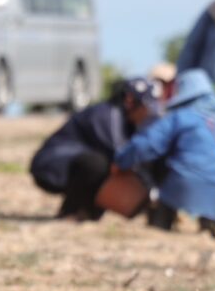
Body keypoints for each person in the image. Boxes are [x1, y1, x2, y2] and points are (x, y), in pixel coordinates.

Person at [112, 68, 215, 231]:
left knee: (165, 178)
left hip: (182, 189)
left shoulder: (182, 116)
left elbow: (146, 144)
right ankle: (206, 226)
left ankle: (161, 223)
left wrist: (120, 161)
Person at [29, 77, 160, 220]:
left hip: (75, 162)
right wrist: (151, 192)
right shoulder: (106, 116)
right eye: (146, 107)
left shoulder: (127, 121)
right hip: (52, 167)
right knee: (99, 164)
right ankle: (70, 212)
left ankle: (88, 213)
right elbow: (121, 156)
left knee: (103, 165)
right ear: (130, 100)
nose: (148, 113)